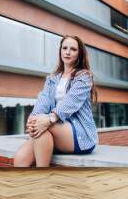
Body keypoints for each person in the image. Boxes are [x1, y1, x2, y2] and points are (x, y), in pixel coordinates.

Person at [14, 35, 98, 167]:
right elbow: (43, 101)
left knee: (44, 125)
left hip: (79, 134)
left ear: (79, 53)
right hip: (55, 129)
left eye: (73, 49)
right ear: (60, 51)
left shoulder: (84, 77)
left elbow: (70, 102)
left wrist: (50, 119)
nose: (68, 52)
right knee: (20, 158)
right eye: (64, 48)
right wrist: (33, 120)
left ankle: (43, 180)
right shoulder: (52, 79)